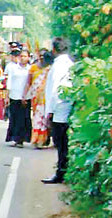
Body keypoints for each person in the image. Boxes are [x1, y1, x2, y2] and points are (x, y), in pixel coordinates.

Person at [42, 38, 75, 184]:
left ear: (54, 50)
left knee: (60, 143)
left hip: (59, 108)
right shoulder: (70, 63)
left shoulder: (58, 66)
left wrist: (49, 111)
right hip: (66, 106)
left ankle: (61, 173)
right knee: (63, 143)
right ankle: (62, 171)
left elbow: (54, 89)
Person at [25, 50, 54, 149]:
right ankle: (37, 140)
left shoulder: (51, 69)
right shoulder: (33, 68)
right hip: (36, 98)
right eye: (40, 56)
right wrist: (25, 95)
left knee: (46, 120)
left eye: (44, 56)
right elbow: (29, 82)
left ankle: (44, 140)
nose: (42, 58)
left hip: (48, 99)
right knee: (38, 119)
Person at [5, 49, 32, 147]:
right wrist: (7, 96)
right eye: (21, 56)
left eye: (25, 56)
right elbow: (9, 82)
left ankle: (22, 139)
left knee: (24, 118)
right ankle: (15, 138)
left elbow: (30, 83)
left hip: (25, 97)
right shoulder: (13, 68)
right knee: (14, 118)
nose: (23, 58)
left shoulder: (30, 69)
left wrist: (26, 95)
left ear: (28, 57)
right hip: (14, 95)